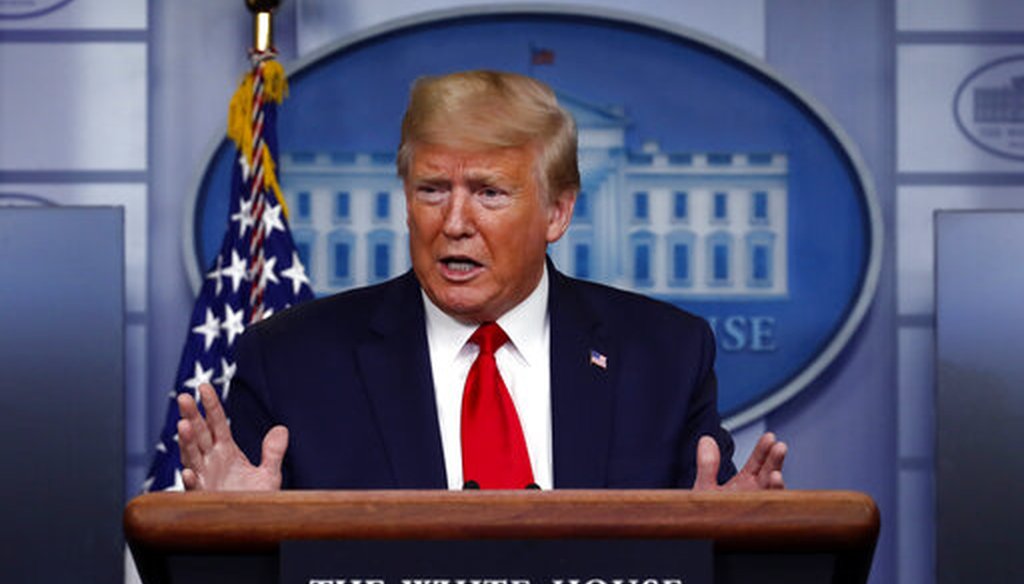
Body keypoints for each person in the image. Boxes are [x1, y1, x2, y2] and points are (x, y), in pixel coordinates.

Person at [177, 70, 786, 492]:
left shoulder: (664, 354)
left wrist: (731, 541)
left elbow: (707, 537)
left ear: (557, 212)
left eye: (490, 193)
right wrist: (231, 526)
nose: (455, 223)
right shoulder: (293, 359)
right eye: (432, 191)